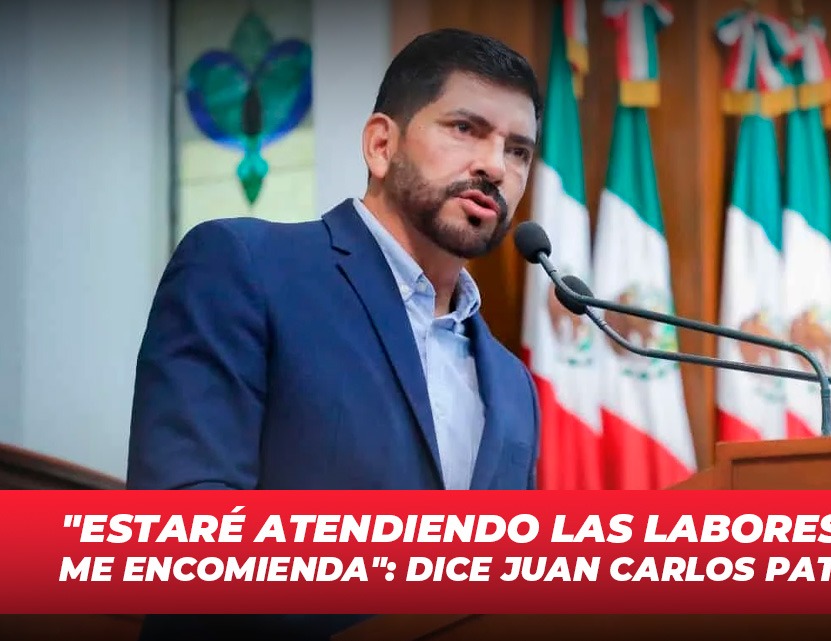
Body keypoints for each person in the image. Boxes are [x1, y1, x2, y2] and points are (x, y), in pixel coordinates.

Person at [127, 28, 542, 639]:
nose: (495, 166)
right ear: (381, 145)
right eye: (465, 128)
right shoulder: (246, 266)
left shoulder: (513, 384)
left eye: (518, 151)